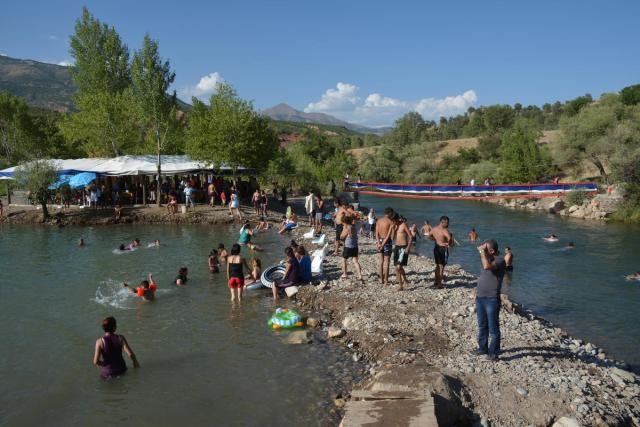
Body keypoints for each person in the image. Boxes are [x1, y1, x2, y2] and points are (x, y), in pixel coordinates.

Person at [473, 240, 506, 361]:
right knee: (482, 326)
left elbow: (487, 267)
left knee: (493, 328)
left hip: (492, 299)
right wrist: (476, 292)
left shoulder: (500, 261)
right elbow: (483, 275)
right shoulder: (486, 259)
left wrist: (482, 251)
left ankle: (494, 353)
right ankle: (483, 348)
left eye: (485, 249)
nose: (482, 250)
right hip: (480, 298)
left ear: (491, 250)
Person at [429, 216, 454, 289]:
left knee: (437, 265)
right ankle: (439, 284)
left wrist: (436, 240)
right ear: (442, 222)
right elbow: (450, 239)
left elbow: (429, 236)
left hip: (436, 247)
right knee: (441, 266)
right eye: (447, 223)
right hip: (443, 249)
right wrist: (448, 243)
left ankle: (436, 281)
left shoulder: (434, 229)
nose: (448, 224)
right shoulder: (445, 230)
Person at [340, 215, 364, 282]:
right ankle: (360, 276)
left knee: (343, 260)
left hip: (348, 246)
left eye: (342, 222)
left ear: (344, 222)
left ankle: (345, 274)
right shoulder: (353, 226)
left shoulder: (347, 228)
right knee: (355, 261)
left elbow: (341, 237)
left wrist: (343, 229)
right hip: (355, 246)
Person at [376, 207, 395, 286]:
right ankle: (386, 281)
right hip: (386, 242)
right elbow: (390, 236)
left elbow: (376, 233)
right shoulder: (390, 222)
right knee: (387, 262)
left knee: (381, 261)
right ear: (389, 213)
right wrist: (383, 244)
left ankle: (381, 279)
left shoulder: (379, 221)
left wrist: (379, 243)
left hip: (379, 241)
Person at [393, 215, 412, 290]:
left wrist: (408, 248)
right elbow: (392, 238)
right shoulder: (395, 226)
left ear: (397, 219)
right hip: (397, 247)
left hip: (403, 248)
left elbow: (410, 236)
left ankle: (401, 286)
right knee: (398, 267)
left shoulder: (403, 225)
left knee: (398, 267)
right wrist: (393, 229)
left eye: (394, 220)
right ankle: (405, 279)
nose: (393, 222)